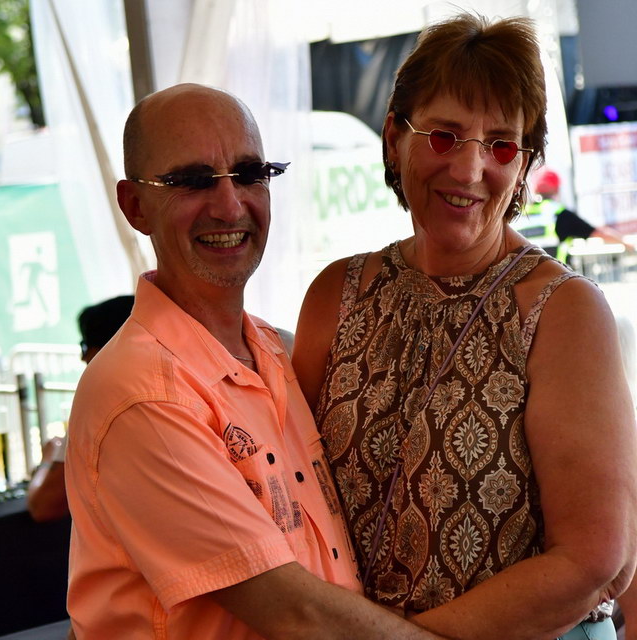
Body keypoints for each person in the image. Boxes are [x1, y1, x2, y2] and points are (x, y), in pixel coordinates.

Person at [292, 13, 637, 640]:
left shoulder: (561, 311)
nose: (470, 169)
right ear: (394, 137)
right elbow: (290, 500)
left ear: (524, 166)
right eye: (445, 136)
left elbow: (592, 560)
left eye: (501, 144)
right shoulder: (335, 295)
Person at [64, 83, 446, 640]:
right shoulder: (143, 391)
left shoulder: (275, 351)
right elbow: (296, 613)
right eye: (193, 181)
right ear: (135, 206)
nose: (229, 206)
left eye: (249, 174)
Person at [27, 295, 134, 522]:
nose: (82, 357)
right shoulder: (184, 385)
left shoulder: (102, 400)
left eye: (84, 346)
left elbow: (43, 505)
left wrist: (48, 457)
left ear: (106, 346)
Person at [514, 167, 634, 262]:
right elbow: (598, 233)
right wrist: (627, 244)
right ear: (557, 189)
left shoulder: (521, 213)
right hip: (556, 278)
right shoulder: (558, 213)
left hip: (525, 281)